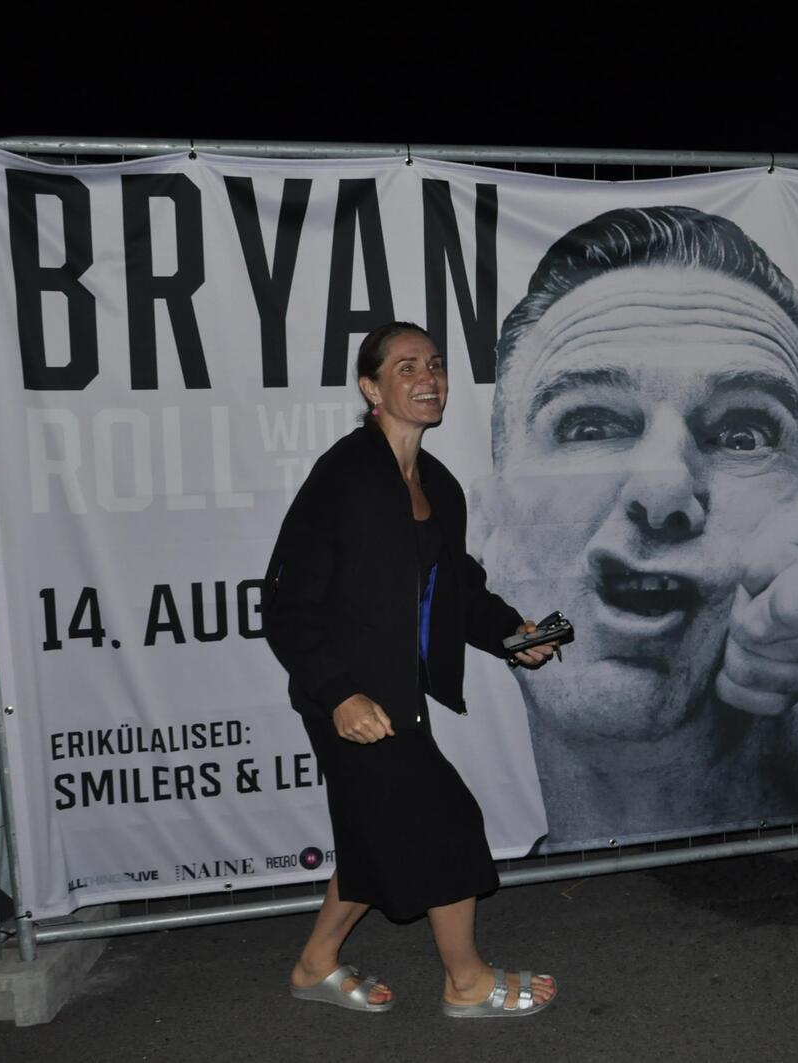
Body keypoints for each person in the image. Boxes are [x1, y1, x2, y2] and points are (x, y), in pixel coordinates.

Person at [475, 205, 798, 849]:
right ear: (481, 535)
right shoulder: (458, 895)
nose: (661, 491)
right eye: (588, 427)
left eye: (743, 435)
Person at [263, 322, 560, 1018]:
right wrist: (339, 694)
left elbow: (457, 589)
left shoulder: (439, 486)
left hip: (398, 696)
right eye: (405, 367)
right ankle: (466, 982)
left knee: (377, 833)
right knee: (444, 821)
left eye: (434, 364)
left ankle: (314, 964)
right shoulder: (343, 476)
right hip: (349, 699)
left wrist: (512, 634)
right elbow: (286, 603)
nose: (428, 377)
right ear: (371, 389)